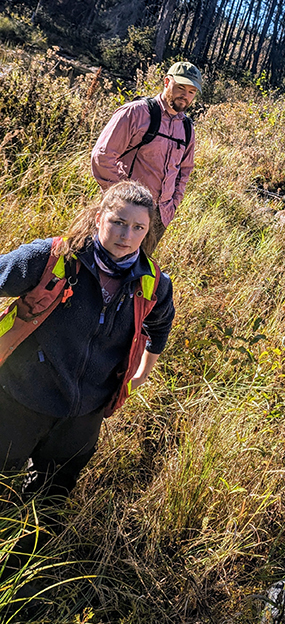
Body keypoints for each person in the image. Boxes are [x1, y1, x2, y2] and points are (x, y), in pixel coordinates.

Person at [0, 181, 174, 499]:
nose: (126, 236)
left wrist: (142, 374)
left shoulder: (153, 282)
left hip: (85, 413)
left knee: (52, 495)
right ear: (98, 219)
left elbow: (160, 328)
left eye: (138, 227)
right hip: (20, 398)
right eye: (118, 222)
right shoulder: (51, 258)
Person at [91, 61, 202, 241]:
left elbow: (184, 171)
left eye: (191, 92)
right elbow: (102, 155)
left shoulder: (187, 128)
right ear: (167, 82)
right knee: (101, 265)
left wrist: (172, 205)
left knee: (138, 269)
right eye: (181, 87)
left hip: (159, 218)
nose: (185, 96)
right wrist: (122, 198)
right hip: (123, 214)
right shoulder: (137, 113)